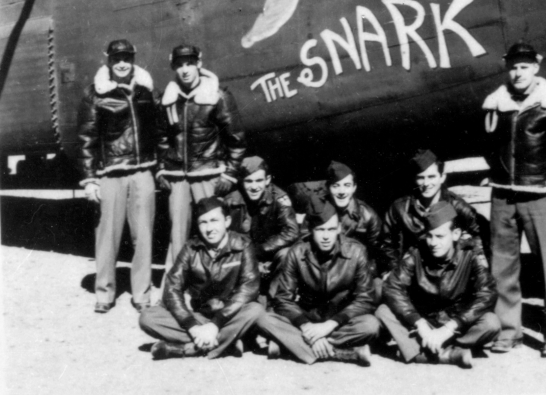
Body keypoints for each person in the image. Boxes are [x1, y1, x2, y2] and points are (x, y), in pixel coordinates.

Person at [482, 41, 546, 356]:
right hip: (503, 196)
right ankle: (508, 331)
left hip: (540, 195)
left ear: (536, 67)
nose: (518, 73)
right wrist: (499, 173)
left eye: (524, 66)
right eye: (513, 67)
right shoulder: (495, 103)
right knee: (502, 267)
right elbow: (487, 145)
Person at [76, 39, 164, 314]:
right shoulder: (96, 94)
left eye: (126, 58)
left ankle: (142, 294)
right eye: (116, 59)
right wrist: (90, 179)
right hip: (110, 174)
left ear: (133, 59)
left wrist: (160, 167)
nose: (122, 63)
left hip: (142, 172)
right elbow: (86, 138)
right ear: (108, 62)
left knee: (144, 237)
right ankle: (104, 293)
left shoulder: (146, 91)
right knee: (107, 237)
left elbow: (160, 131)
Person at [255, 197, 380, 366]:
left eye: (330, 229)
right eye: (320, 230)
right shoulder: (297, 252)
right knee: (264, 319)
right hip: (307, 317)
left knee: (370, 325)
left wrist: (330, 325)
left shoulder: (357, 251)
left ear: (339, 229)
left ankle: (291, 345)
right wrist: (306, 326)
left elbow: (365, 298)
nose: (326, 236)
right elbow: (283, 298)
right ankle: (343, 353)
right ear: (311, 230)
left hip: (339, 319)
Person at [376, 201, 500, 368]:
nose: (433, 243)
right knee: (383, 311)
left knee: (491, 323)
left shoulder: (470, 256)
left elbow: (488, 293)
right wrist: (419, 324)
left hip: (454, 323)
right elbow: (393, 287)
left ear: (455, 234)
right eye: (429, 236)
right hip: (423, 319)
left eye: (440, 236)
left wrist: (449, 328)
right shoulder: (416, 252)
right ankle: (448, 354)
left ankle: (420, 351)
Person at [139, 197, 264, 360]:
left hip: (232, 315)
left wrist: (216, 324)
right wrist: (192, 326)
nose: (209, 228)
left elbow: (249, 288)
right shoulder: (190, 248)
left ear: (226, 221)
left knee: (256, 310)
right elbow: (172, 288)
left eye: (214, 220)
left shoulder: (243, 245)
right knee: (147, 317)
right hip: (201, 317)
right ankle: (227, 343)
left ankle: (188, 349)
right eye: (203, 222)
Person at [157, 44, 246, 267]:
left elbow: (236, 139)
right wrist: (161, 169)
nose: (185, 69)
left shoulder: (218, 96)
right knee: (177, 235)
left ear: (199, 64)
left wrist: (229, 175)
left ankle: (221, 283)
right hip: (178, 178)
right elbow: (160, 139)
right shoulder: (167, 100)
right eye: (179, 65)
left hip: (208, 175)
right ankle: (174, 287)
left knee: (214, 230)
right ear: (173, 68)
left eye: (189, 63)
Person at [381, 149, 482, 275]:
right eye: (421, 178)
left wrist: (461, 245)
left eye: (431, 177)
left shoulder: (456, 206)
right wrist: (395, 271)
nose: (427, 183)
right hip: (413, 271)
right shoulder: (401, 208)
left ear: (442, 177)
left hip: (450, 272)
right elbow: (387, 243)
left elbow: (479, 234)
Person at [230, 156, 299, 292]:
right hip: (246, 257)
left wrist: (260, 250)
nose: (254, 187)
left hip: (270, 254)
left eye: (259, 180)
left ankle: (276, 299)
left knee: (286, 254)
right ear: (241, 182)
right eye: (248, 181)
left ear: (267, 180)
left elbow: (292, 232)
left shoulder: (279, 199)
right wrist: (252, 258)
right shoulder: (232, 201)